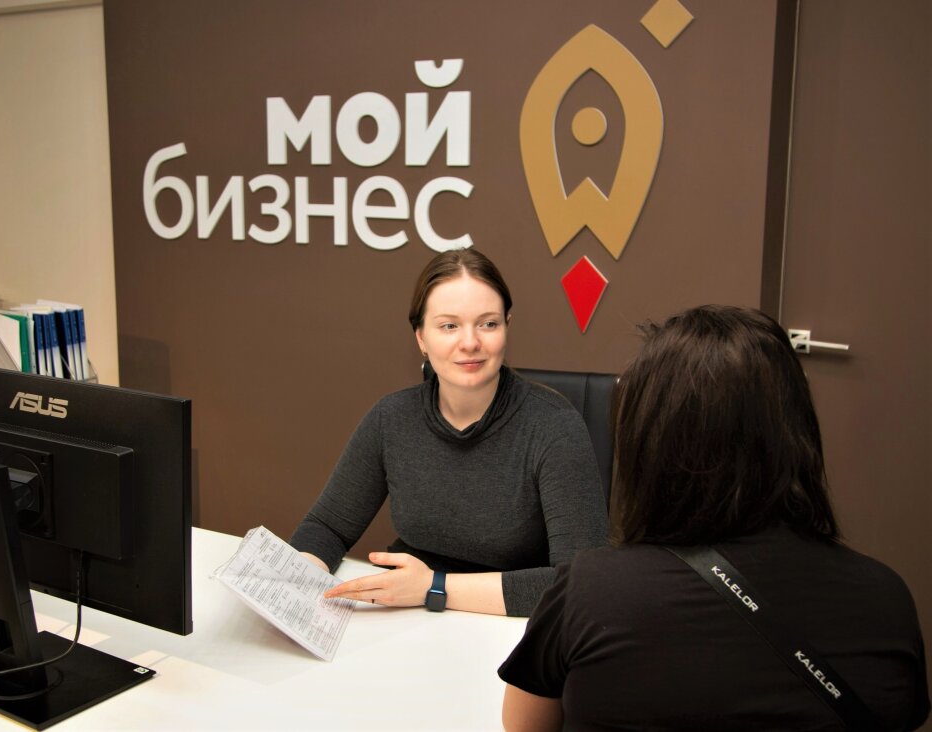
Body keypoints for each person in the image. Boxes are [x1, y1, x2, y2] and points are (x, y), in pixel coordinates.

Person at [499, 305, 930, 730]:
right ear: (798, 431)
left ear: (650, 443)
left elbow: (523, 725)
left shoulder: (590, 591)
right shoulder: (887, 599)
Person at [289, 247, 608, 617]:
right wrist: (296, 582)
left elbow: (581, 584)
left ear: (507, 326)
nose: (470, 342)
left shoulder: (554, 426)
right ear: (421, 338)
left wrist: (433, 587)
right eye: (449, 326)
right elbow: (327, 527)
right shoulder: (391, 418)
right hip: (407, 619)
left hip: (510, 628)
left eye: (488, 324)